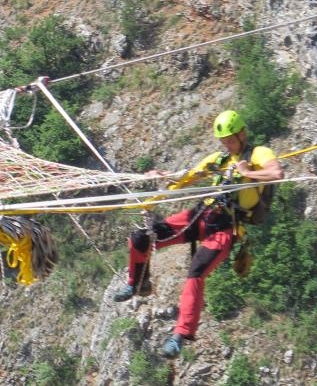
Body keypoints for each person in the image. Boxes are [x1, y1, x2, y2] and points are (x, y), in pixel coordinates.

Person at [111, 110, 283, 358]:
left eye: (230, 140)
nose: (227, 145)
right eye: (223, 141)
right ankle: (137, 283)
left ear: (242, 134)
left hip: (226, 227)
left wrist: (248, 173)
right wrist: (157, 189)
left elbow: (276, 173)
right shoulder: (220, 159)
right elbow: (186, 178)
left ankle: (180, 335)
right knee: (140, 238)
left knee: (196, 271)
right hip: (202, 215)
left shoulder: (258, 153)